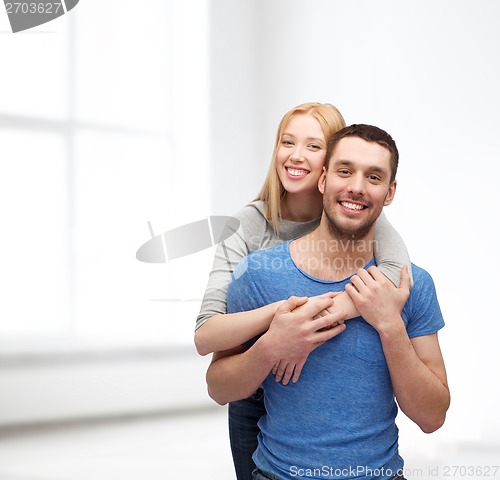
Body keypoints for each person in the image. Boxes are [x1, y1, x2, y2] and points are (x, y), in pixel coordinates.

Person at [206, 124, 450, 480]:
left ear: (390, 191)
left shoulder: (411, 285)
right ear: (322, 179)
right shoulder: (258, 274)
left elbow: (433, 417)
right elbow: (218, 388)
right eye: (345, 171)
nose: (356, 187)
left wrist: (389, 325)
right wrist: (272, 346)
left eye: (374, 176)